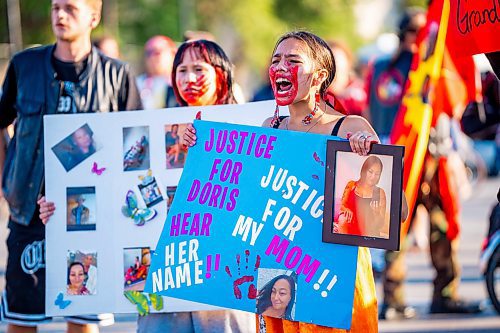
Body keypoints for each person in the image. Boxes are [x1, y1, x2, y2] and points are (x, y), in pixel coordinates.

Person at [183, 30, 409, 333]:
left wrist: (367, 157)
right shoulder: (270, 127)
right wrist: (200, 146)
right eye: (275, 60)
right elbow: (245, 195)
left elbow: (399, 212)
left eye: (292, 60)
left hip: (333, 278)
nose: (280, 67)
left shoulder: (348, 127)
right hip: (281, 276)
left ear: (319, 76)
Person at [1, 0, 142, 331]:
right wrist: (7, 179)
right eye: (54, 7)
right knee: (22, 319)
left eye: (70, 8)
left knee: (84, 318)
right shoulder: (25, 65)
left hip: (90, 218)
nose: (60, 15)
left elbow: (136, 143)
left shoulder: (118, 75)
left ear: (94, 16)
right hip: (30, 215)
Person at [131, 39, 253, 333]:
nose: (188, 78)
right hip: (166, 271)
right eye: (181, 70)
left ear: (221, 74)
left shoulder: (249, 126)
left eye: (199, 68)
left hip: (224, 273)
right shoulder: (157, 130)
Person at [337, 156, 387, 238]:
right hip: (350, 228)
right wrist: (346, 209)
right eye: (370, 172)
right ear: (364, 170)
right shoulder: (351, 185)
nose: (373, 177)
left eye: (377, 174)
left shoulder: (380, 193)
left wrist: (376, 213)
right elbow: (342, 205)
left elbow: (380, 224)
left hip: (368, 233)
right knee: (342, 219)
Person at [136, 35, 178, 109]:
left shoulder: (181, 83)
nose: (152, 57)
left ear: (173, 54)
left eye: (157, 52)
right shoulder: (137, 84)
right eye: (148, 53)